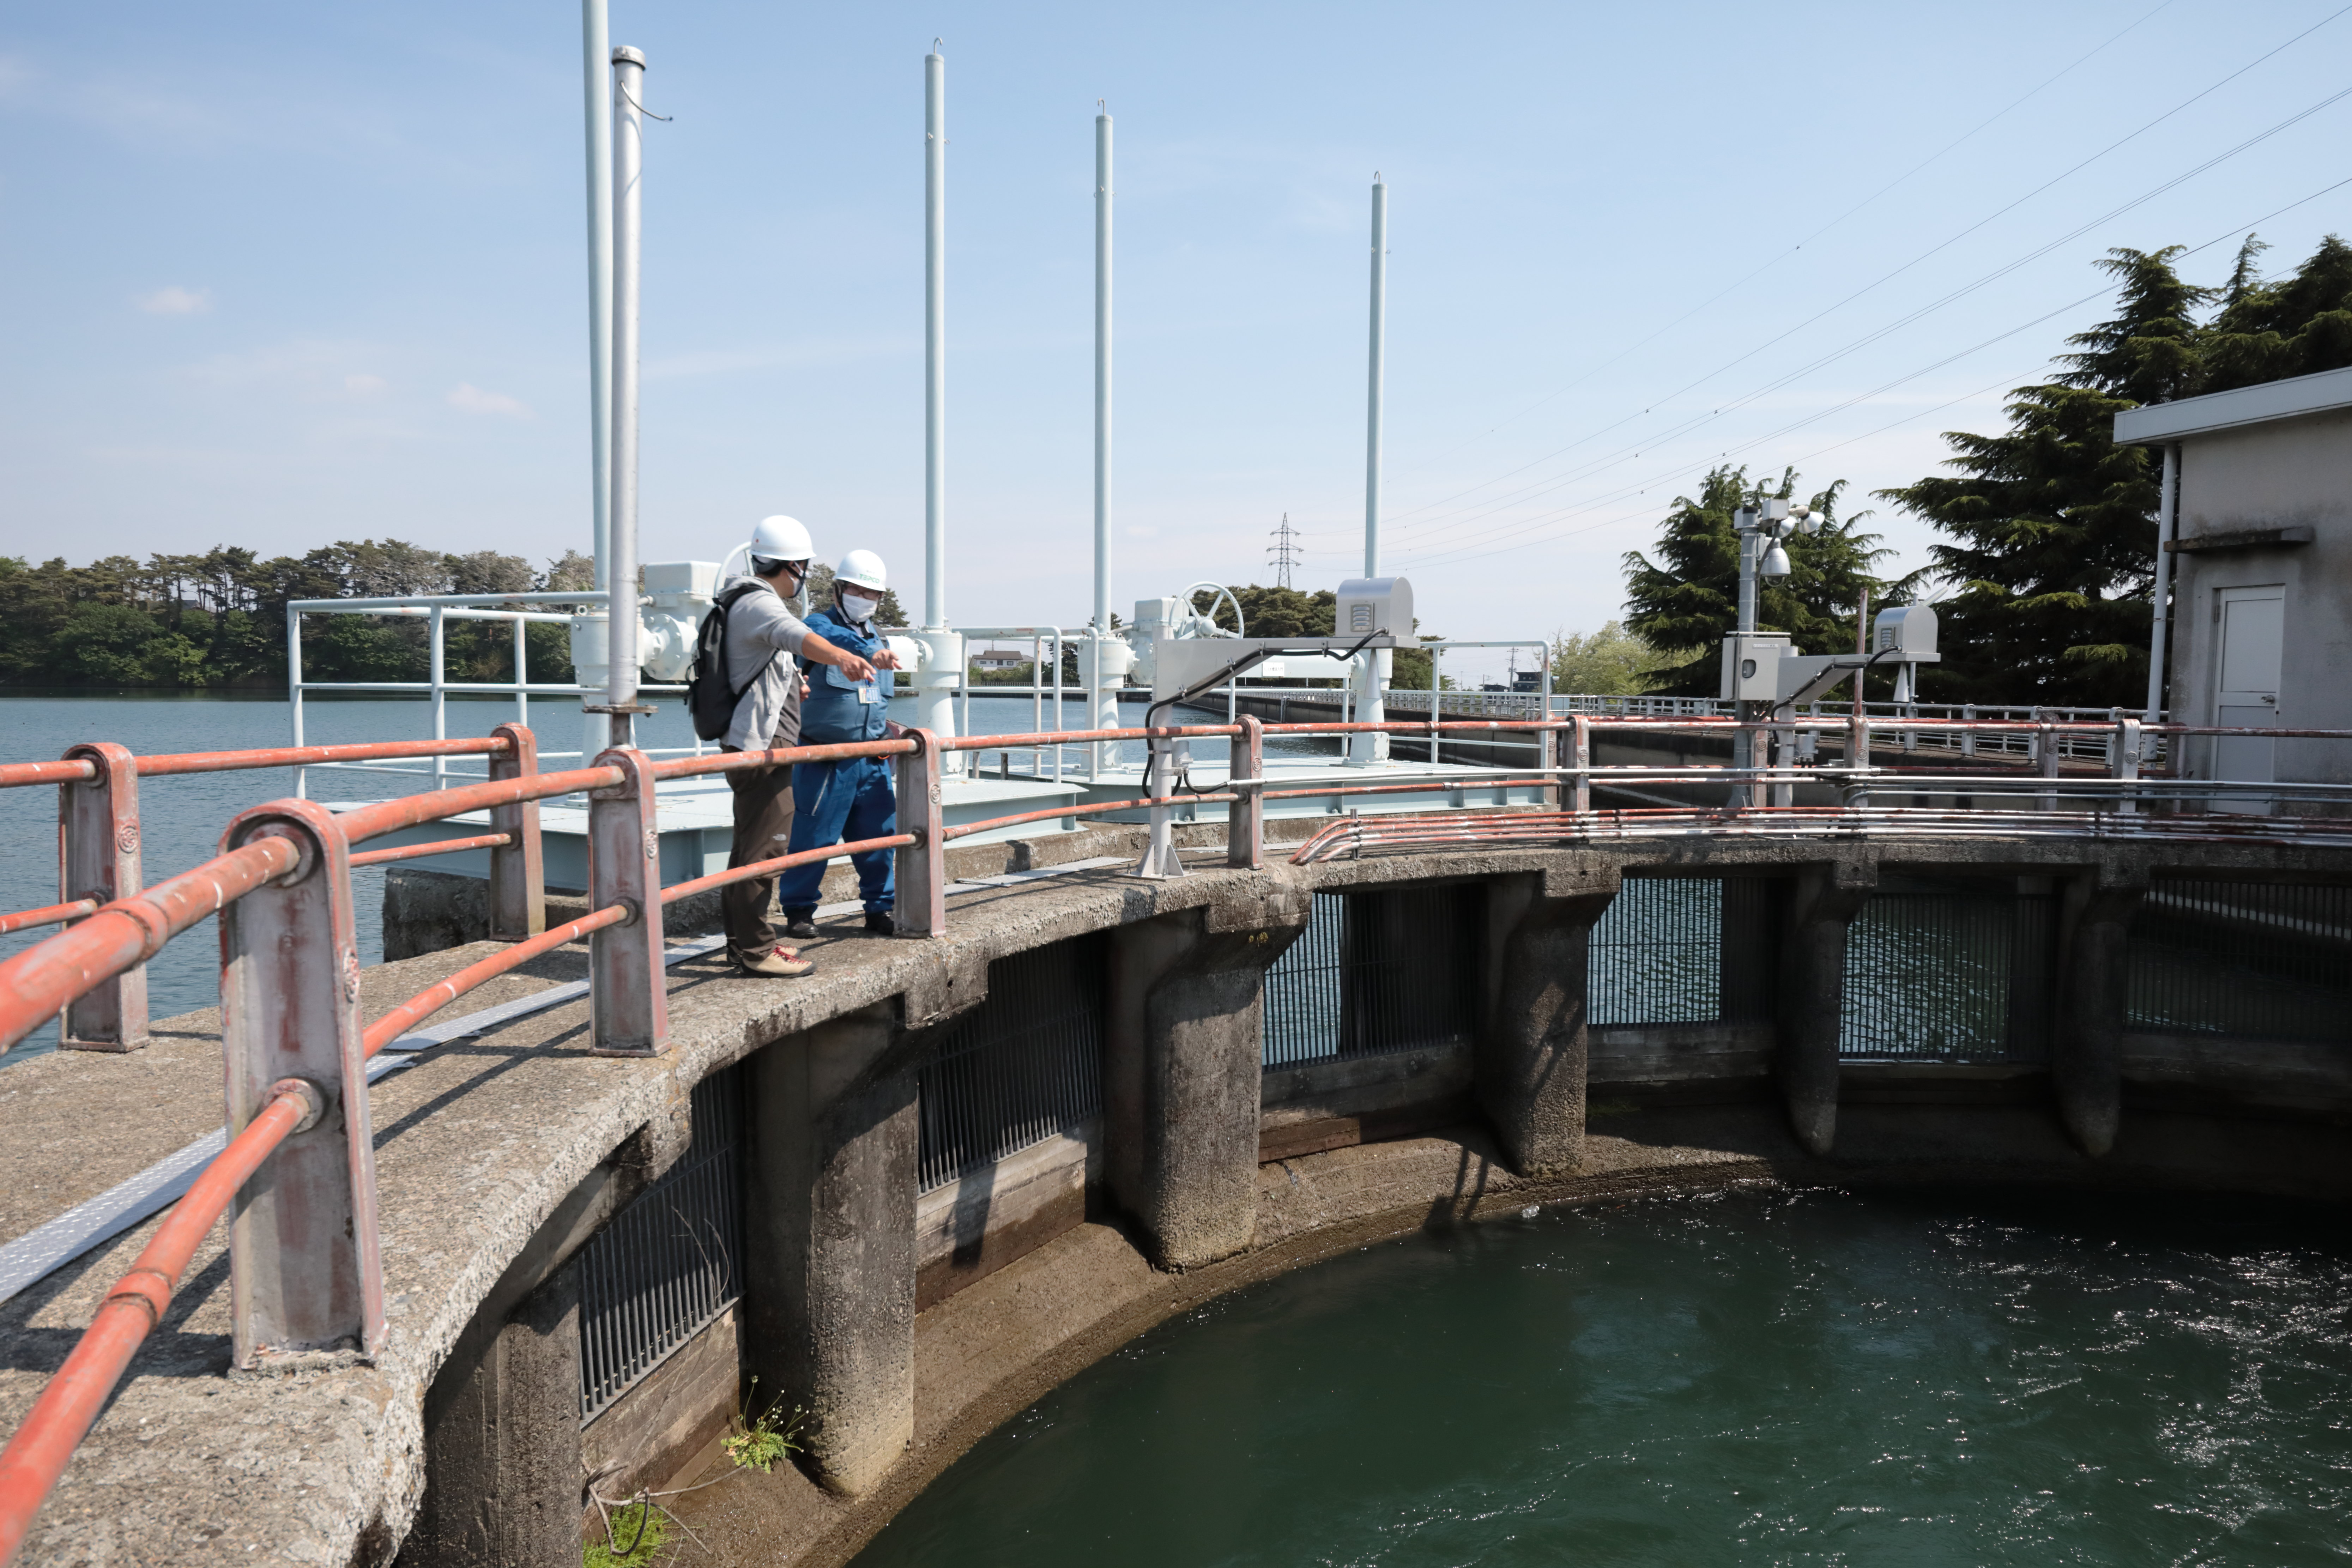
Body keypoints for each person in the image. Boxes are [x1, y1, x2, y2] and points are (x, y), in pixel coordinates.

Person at [717, 516, 877, 978]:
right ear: (793, 567)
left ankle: (741, 944)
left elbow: (763, 663)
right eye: (802, 568)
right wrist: (846, 657)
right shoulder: (759, 602)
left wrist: (792, 685)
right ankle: (756, 951)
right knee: (764, 852)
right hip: (763, 750)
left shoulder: (739, 599)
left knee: (747, 848)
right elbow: (799, 635)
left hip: (754, 743)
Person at [778, 550, 904, 937]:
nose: (863, 598)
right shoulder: (818, 626)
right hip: (825, 759)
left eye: (872, 593)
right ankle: (799, 910)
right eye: (856, 589)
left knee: (879, 837)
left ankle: (880, 908)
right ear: (838, 589)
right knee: (813, 837)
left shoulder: (878, 637)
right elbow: (830, 637)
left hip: (872, 757)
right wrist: (866, 652)